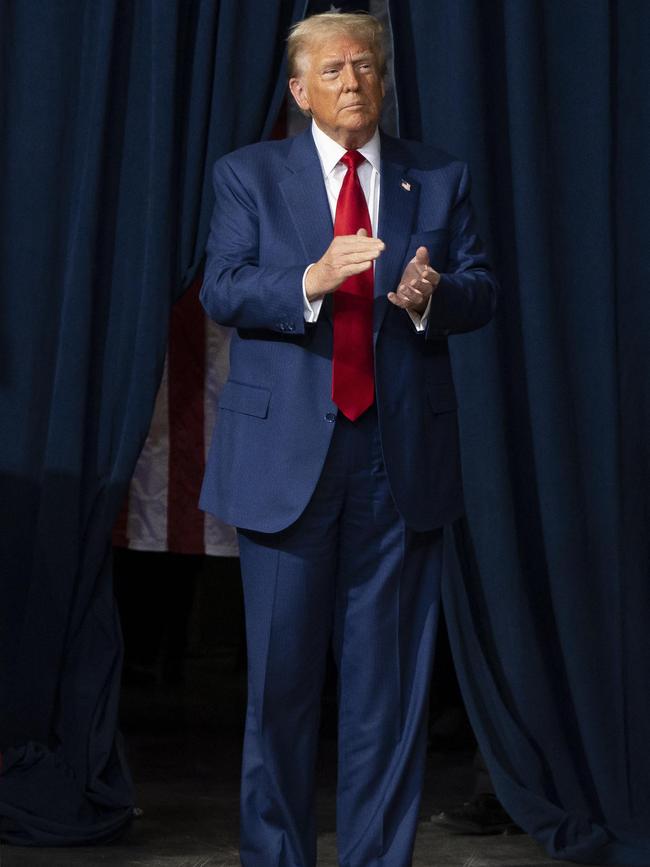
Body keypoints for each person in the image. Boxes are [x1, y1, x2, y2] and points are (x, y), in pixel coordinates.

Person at [199, 11, 497, 866]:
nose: (354, 81)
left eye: (366, 66)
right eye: (333, 70)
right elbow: (221, 287)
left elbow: (483, 290)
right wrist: (310, 279)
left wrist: (434, 296)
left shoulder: (436, 177)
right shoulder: (248, 176)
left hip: (396, 465)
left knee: (388, 693)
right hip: (287, 462)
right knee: (282, 690)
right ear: (300, 91)